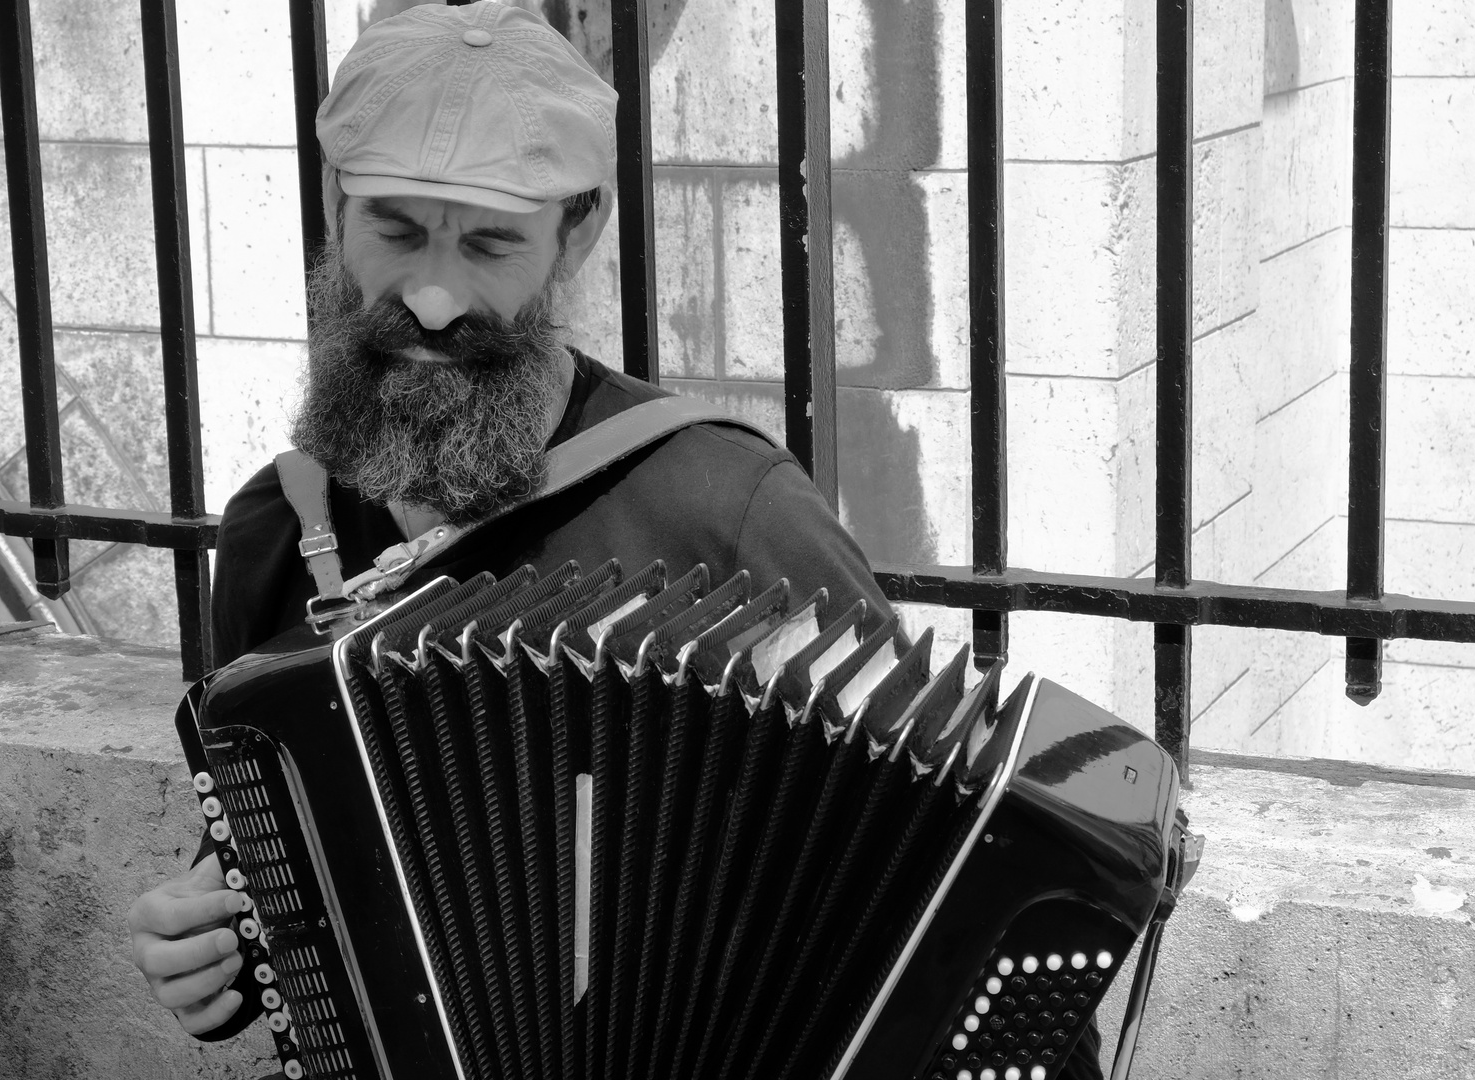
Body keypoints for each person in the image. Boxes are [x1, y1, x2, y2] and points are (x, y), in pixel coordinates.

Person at [127, 4, 1103, 1077]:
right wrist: (214, 956)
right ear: (332, 207)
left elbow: (944, 868)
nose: (436, 297)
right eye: (396, 230)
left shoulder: (727, 510)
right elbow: (277, 894)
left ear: (577, 231)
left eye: (491, 241)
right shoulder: (279, 529)